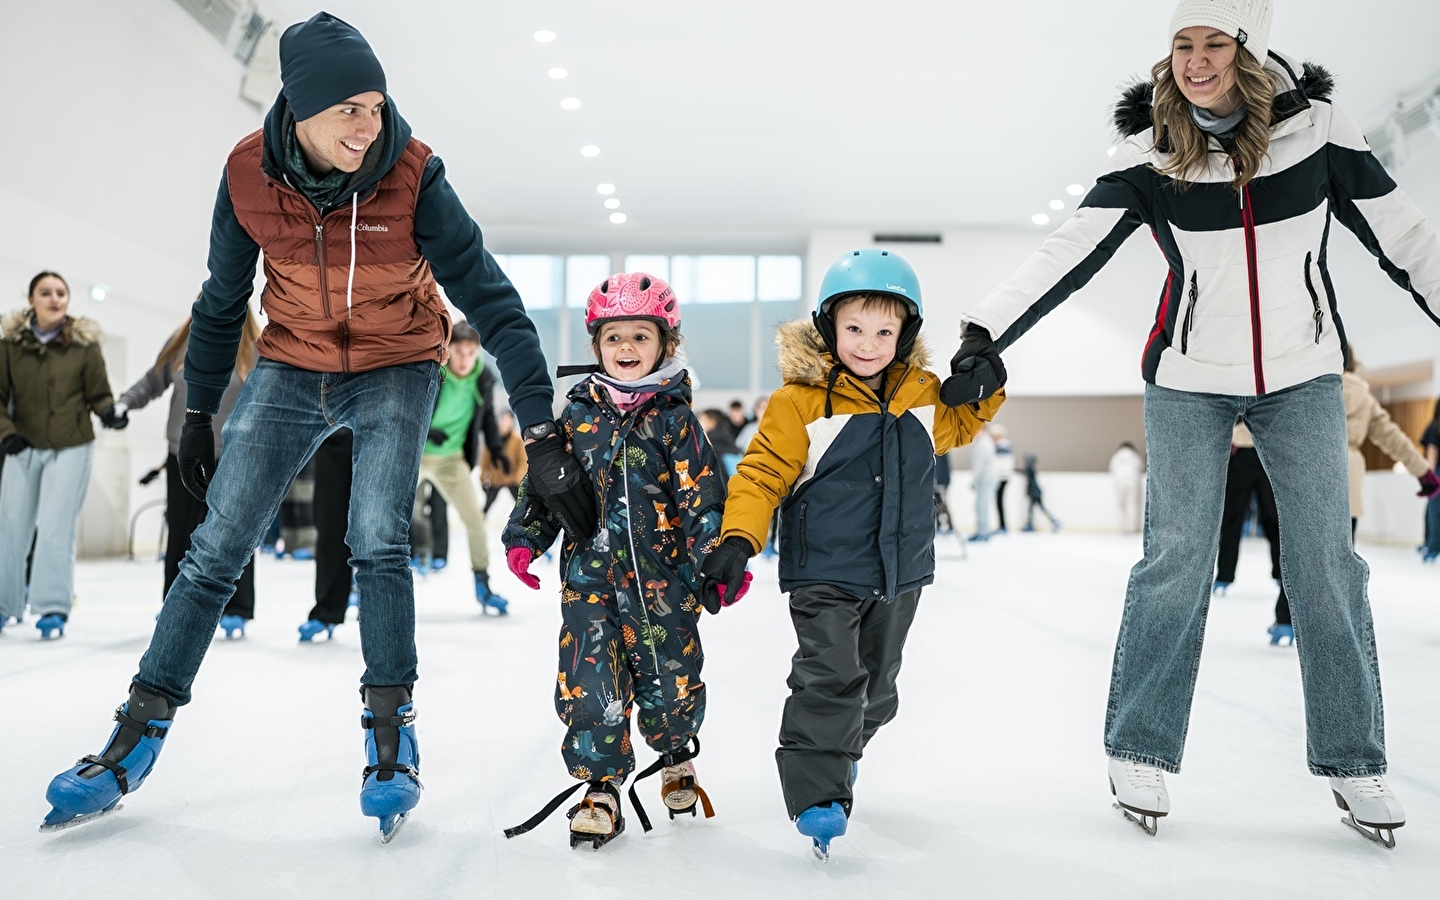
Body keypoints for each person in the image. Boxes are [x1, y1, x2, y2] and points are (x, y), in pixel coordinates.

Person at [41, 13, 594, 840]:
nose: (368, 126)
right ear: (300, 107)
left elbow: (497, 305)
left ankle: (390, 734)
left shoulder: (413, 174)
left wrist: (543, 433)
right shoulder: (246, 174)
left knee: (377, 538)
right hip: (291, 364)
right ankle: (137, 732)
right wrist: (197, 411)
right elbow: (220, 302)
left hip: (399, 363)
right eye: (349, 110)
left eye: (375, 106)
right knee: (215, 548)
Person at [942, 0, 1438, 844]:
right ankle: (1141, 748)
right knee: (1175, 557)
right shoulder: (1153, 154)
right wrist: (985, 334)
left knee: (1325, 562)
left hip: (1305, 379)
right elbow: (1066, 249)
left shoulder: (1317, 130)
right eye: (1182, 44)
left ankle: (1356, 762)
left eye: (1215, 43)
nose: (1196, 60)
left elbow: (1405, 236)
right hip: (1186, 381)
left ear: (1250, 49)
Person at [699, 249, 1003, 859]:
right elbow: (761, 475)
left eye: (885, 331)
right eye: (855, 329)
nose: (868, 343)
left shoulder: (922, 396)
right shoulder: (799, 403)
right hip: (825, 573)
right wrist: (738, 539)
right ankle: (818, 793)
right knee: (830, 677)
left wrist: (987, 381)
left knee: (877, 690)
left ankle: (843, 752)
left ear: (906, 333)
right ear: (828, 328)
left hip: (900, 573)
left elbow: (964, 423)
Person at [501, 272, 734, 850]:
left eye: (639, 336)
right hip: (590, 583)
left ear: (665, 344)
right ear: (596, 345)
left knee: (671, 680)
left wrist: (716, 562)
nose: (625, 349)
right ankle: (601, 787)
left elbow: (702, 499)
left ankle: (676, 756)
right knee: (589, 682)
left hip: (663, 585)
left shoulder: (677, 420)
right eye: (613, 338)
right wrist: (525, 536)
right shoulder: (577, 417)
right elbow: (547, 487)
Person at [1263, 359, 1438, 644]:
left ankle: (1286, 621)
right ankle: (1334, 627)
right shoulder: (1363, 397)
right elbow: (1392, 437)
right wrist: (1423, 472)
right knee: (1340, 559)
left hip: (1310, 471)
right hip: (1348, 479)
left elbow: (1269, 426)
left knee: (1297, 554)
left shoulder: (1307, 387)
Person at [116, 310, 262, 640]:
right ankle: (174, 602)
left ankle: (237, 607)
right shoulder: (183, 343)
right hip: (182, 452)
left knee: (233, 532)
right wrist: (124, 404)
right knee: (181, 531)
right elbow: (152, 381)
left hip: (234, 454)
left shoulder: (256, 348)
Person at [0, 272, 127, 640]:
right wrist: (7, 435)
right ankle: (5, 604)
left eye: (61, 293)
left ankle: (52, 607)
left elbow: (99, 393)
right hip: (21, 446)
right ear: (31, 300)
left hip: (71, 446)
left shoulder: (83, 345)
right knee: (10, 526)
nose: (54, 299)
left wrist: (107, 412)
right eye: (46, 293)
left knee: (56, 527)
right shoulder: (10, 344)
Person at [408, 322, 511, 614]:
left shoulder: (483, 378)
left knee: (475, 521)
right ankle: (358, 584)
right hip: (416, 455)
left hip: (452, 461)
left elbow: (488, 417)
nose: (465, 359)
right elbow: (408, 410)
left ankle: (483, 584)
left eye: (471, 352)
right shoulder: (433, 373)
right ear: (448, 350)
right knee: (386, 515)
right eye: (458, 351)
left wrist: (498, 450)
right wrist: (426, 433)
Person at [482, 410, 526, 513]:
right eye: (503, 419)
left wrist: (518, 478)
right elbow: (485, 460)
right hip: (496, 478)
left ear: (512, 421)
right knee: (487, 504)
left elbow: (523, 461)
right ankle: (479, 522)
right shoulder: (493, 438)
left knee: (521, 504)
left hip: (512, 478)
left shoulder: (517, 439)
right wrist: (483, 478)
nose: (504, 422)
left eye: (508, 420)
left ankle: (525, 522)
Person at [1108, 441, 1144, 534]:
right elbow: (1141, 467)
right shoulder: (1135, 456)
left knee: (1121, 505)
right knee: (1133, 505)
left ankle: (1123, 528)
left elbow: (1112, 469)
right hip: (1133, 481)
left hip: (1119, 481)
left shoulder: (1116, 456)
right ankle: (1132, 529)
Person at [969, 424, 997, 541]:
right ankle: (981, 530)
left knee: (981, 505)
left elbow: (981, 464)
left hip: (985, 478)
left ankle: (983, 531)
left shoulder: (984, 443)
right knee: (980, 505)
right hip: (984, 478)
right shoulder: (984, 442)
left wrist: (975, 479)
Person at [1020, 454, 1061, 532]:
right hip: (1035, 492)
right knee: (1036, 508)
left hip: (1035, 493)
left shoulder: (1029, 470)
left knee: (1036, 509)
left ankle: (1052, 521)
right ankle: (1052, 521)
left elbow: (1028, 479)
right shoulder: (1031, 470)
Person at [1421, 400, 1440, 562]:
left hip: (1437, 475)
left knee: (1434, 512)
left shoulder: (1434, 427)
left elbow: (1432, 454)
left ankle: (1432, 546)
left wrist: (1429, 477)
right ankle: (1430, 544)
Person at [991, 423, 1015, 533]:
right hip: (1002, 476)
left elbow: (1001, 462)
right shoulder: (1004, 445)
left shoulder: (1002, 445)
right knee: (998, 501)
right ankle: (1002, 525)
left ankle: (1003, 526)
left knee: (999, 501)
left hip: (1002, 477)